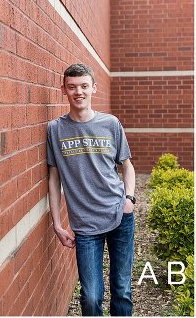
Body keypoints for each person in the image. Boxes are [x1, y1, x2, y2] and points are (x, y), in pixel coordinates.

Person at [47, 63, 136, 316]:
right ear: (63, 89)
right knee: (91, 297)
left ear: (93, 88)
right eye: (72, 87)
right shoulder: (55, 130)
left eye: (84, 86)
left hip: (120, 215)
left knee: (122, 290)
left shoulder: (111, 124)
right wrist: (57, 223)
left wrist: (129, 199)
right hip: (85, 224)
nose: (79, 92)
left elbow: (127, 166)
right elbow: (54, 179)